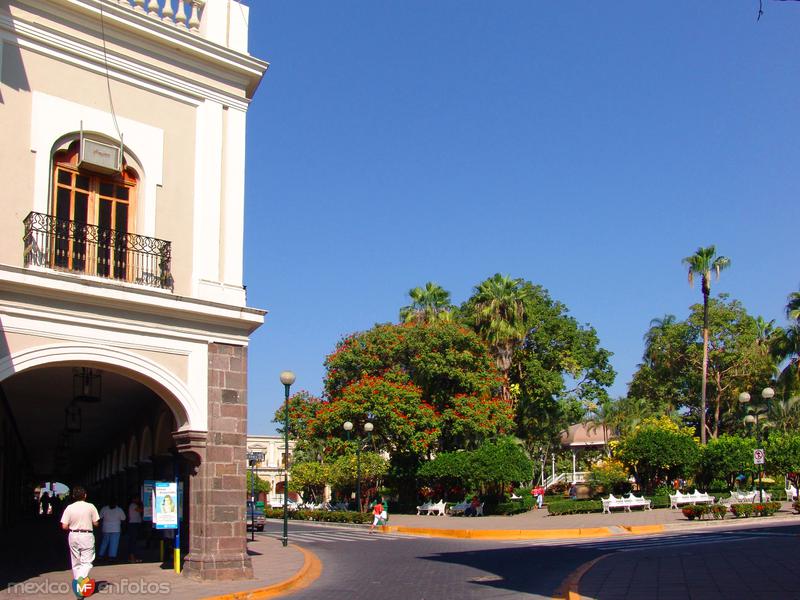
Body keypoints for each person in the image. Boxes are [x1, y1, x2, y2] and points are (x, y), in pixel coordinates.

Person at [60, 486, 100, 580]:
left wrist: (74, 526)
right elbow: (96, 523)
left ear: (73, 496)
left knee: (75, 561)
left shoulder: (69, 508)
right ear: (85, 496)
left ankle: (78, 583)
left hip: (73, 534)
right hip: (87, 535)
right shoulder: (91, 506)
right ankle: (80, 579)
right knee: (87, 561)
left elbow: (64, 526)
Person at [127, 497, 144, 563]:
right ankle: (132, 557)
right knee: (133, 541)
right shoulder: (132, 505)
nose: (138, 500)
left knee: (134, 541)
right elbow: (140, 510)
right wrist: (143, 504)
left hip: (135, 524)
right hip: (133, 524)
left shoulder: (134, 505)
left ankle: (133, 557)